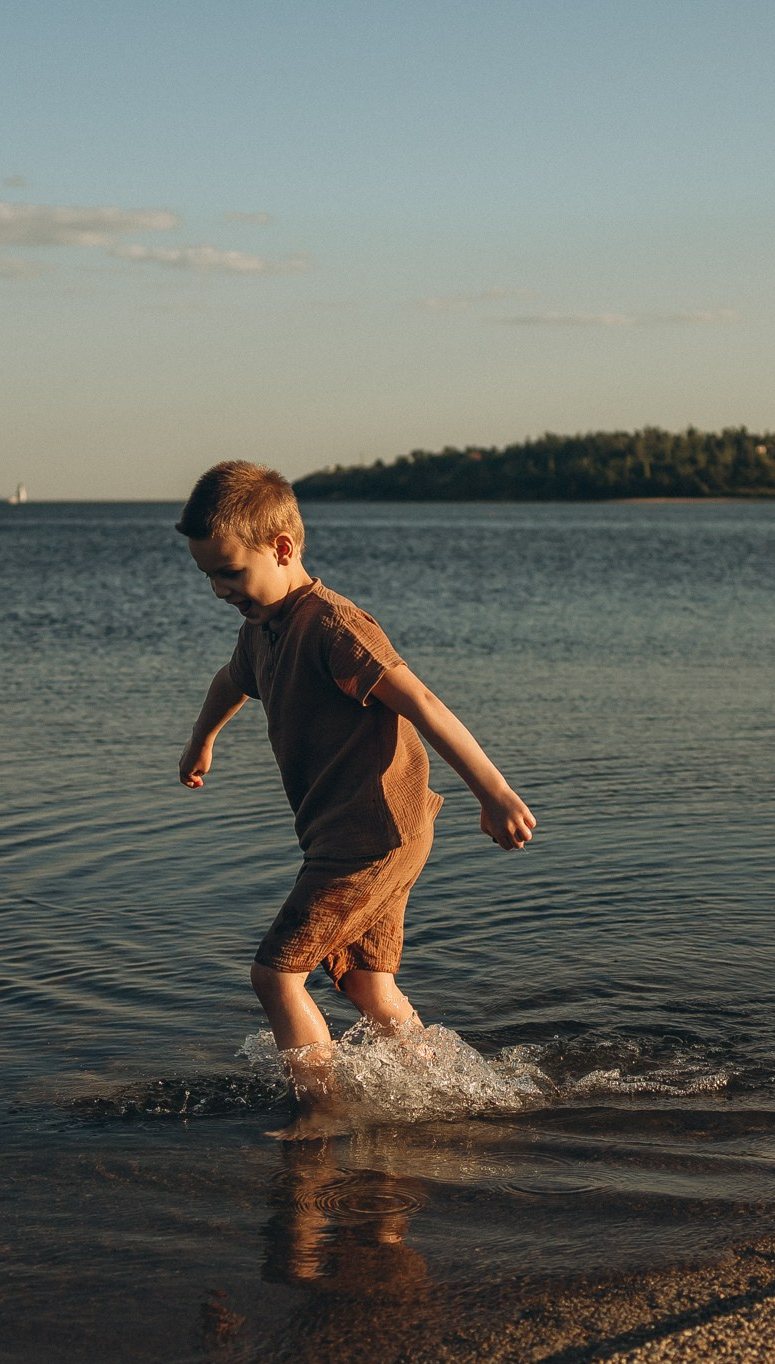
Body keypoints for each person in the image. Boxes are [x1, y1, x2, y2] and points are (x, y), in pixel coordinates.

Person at [175, 460, 535, 1131]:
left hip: (367, 838)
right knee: (369, 985)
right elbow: (229, 683)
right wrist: (203, 742)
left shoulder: (335, 628)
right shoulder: (261, 630)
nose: (219, 590)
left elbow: (423, 702)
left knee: (275, 977)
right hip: (374, 834)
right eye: (208, 576)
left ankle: (320, 1114)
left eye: (229, 572)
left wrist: (494, 793)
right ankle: (452, 1093)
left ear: (281, 549)